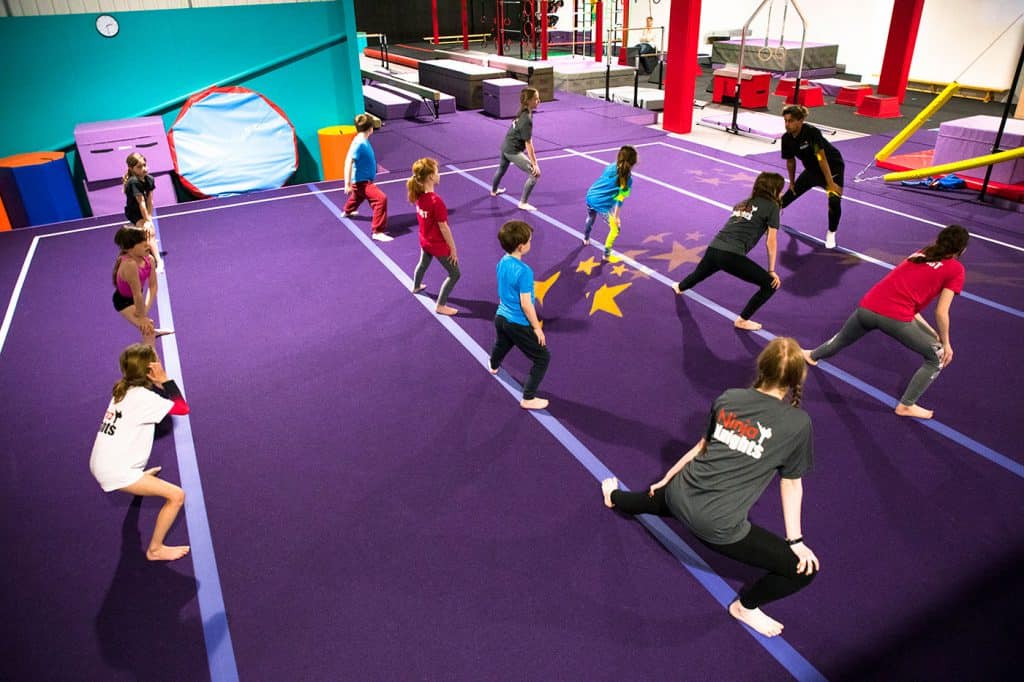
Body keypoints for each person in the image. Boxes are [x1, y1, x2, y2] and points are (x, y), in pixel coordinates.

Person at [601, 337, 818, 637]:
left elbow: (702, 446)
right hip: (716, 526)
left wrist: (666, 479)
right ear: (796, 379)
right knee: (803, 570)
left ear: (762, 367)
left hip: (678, 494)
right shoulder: (798, 423)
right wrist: (795, 542)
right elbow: (791, 484)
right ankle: (746, 606)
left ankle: (614, 498)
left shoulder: (729, 397)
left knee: (646, 500)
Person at [802, 224, 969, 420]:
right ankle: (906, 405)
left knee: (841, 339)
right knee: (937, 358)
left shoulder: (922, 253)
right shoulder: (956, 269)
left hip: (868, 306)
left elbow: (907, 301)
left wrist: (929, 330)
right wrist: (947, 344)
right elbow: (941, 312)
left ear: (939, 239)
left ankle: (812, 355)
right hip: (895, 318)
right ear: (962, 250)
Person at [90, 343, 191, 561]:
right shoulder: (144, 399)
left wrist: (148, 339)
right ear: (150, 370)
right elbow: (182, 408)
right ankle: (155, 549)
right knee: (177, 496)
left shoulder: (123, 389)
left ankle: (139, 478)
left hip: (101, 462)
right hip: (116, 472)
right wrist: (163, 380)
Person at [675, 172, 785, 331]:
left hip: (714, 248)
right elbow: (771, 241)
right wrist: (772, 270)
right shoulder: (772, 206)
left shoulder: (742, 203)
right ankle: (742, 320)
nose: (781, 193)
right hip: (731, 255)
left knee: (698, 275)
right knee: (770, 285)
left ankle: (680, 286)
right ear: (773, 189)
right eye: (780, 189)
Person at [489, 220, 551, 410]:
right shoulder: (525, 272)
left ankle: (493, 365)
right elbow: (526, 304)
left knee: (502, 343)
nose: (532, 243)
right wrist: (536, 328)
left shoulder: (502, 261)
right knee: (542, 358)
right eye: (530, 241)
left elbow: (502, 287)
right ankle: (528, 398)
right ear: (521, 246)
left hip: (500, 317)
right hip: (517, 322)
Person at [780, 104, 845, 249]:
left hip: (832, 167)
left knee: (834, 200)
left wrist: (830, 183)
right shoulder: (786, 139)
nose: (787, 125)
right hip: (812, 171)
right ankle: (774, 214)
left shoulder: (812, 133)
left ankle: (831, 232)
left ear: (800, 120)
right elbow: (790, 161)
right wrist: (791, 183)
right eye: (785, 121)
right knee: (789, 196)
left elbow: (821, 158)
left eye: (790, 121)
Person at [407, 158, 460, 316]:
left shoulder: (418, 196)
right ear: (430, 177)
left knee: (423, 263)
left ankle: (416, 286)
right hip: (436, 243)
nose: (439, 175)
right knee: (455, 274)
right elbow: (444, 227)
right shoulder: (436, 201)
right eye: (437, 172)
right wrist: (453, 249)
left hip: (425, 239)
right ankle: (441, 305)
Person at [112, 226, 172, 347]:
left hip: (136, 297)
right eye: (143, 244)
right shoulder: (130, 265)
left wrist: (145, 309)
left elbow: (153, 286)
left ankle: (152, 331)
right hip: (124, 302)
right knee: (147, 328)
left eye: (147, 242)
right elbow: (137, 294)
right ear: (129, 249)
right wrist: (142, 317)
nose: (148, 246)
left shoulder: (149, 259)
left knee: (146, 324)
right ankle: (150, 362)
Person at [490, 88, 542, 211]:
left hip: (505, 146)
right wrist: (535, 164)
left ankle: (493, 191)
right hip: (512, 150)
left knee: (502, 169)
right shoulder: (526, 118)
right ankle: (523, 203)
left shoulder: (524, 112)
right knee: (535, 175)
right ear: (528, 101)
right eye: (536, 99)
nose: (539, 101)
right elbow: (529, 144)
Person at [583, 145, 637, 262]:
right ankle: (606, 254)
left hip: (590, 196)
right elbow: (620, 199)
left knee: (591, 217)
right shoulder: (628, 179)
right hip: (602, 205)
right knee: (616, 228)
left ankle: (586, 238)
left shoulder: (610, 167)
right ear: (633, 163)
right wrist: (616, 217)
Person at [344, 113, 391, 242]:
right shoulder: (360, 144)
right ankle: (378, 231)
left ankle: (347, 211)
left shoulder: (360, 139)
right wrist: (347, 183)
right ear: (370, 129)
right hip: (362, 182)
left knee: (358, 196)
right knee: (381, 199)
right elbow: (348, 161)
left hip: (361, 182)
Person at [123, 152, 162, 272]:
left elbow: (150, 201)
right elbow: (141, 203)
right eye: (139, 167)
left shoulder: (150, 179)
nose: (144, 169)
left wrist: (149, 218)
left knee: (147, 233)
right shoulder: (133, 182)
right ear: (131, 169)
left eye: (144, 165)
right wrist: (146, 221)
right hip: (134, 212)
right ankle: (159, 261)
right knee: (149, 233)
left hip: (144, 210)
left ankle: (143, 250)